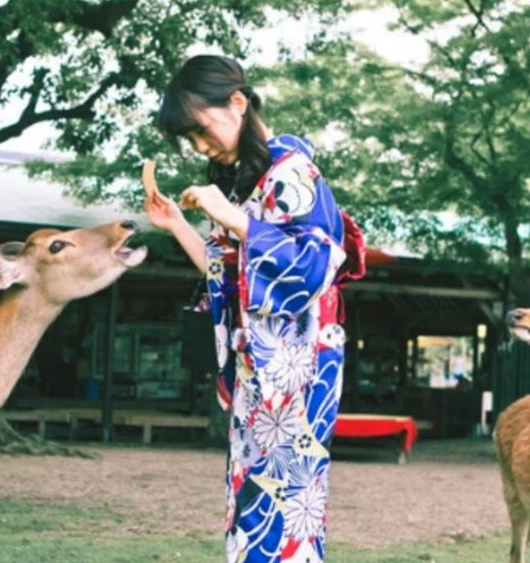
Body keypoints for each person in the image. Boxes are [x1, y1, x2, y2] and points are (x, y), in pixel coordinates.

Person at [144, 54, 351, 562]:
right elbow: (225, 275)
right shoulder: (243, 184)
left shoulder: (293, 169)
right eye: (190, 138)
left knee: (289, 498)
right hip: (256, 367)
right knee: (250, 498)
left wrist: (233, 218)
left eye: (201, 129)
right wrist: (178, 224)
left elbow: (316, 265)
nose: (199, 145)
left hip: (299, 366)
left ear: (237, 102)